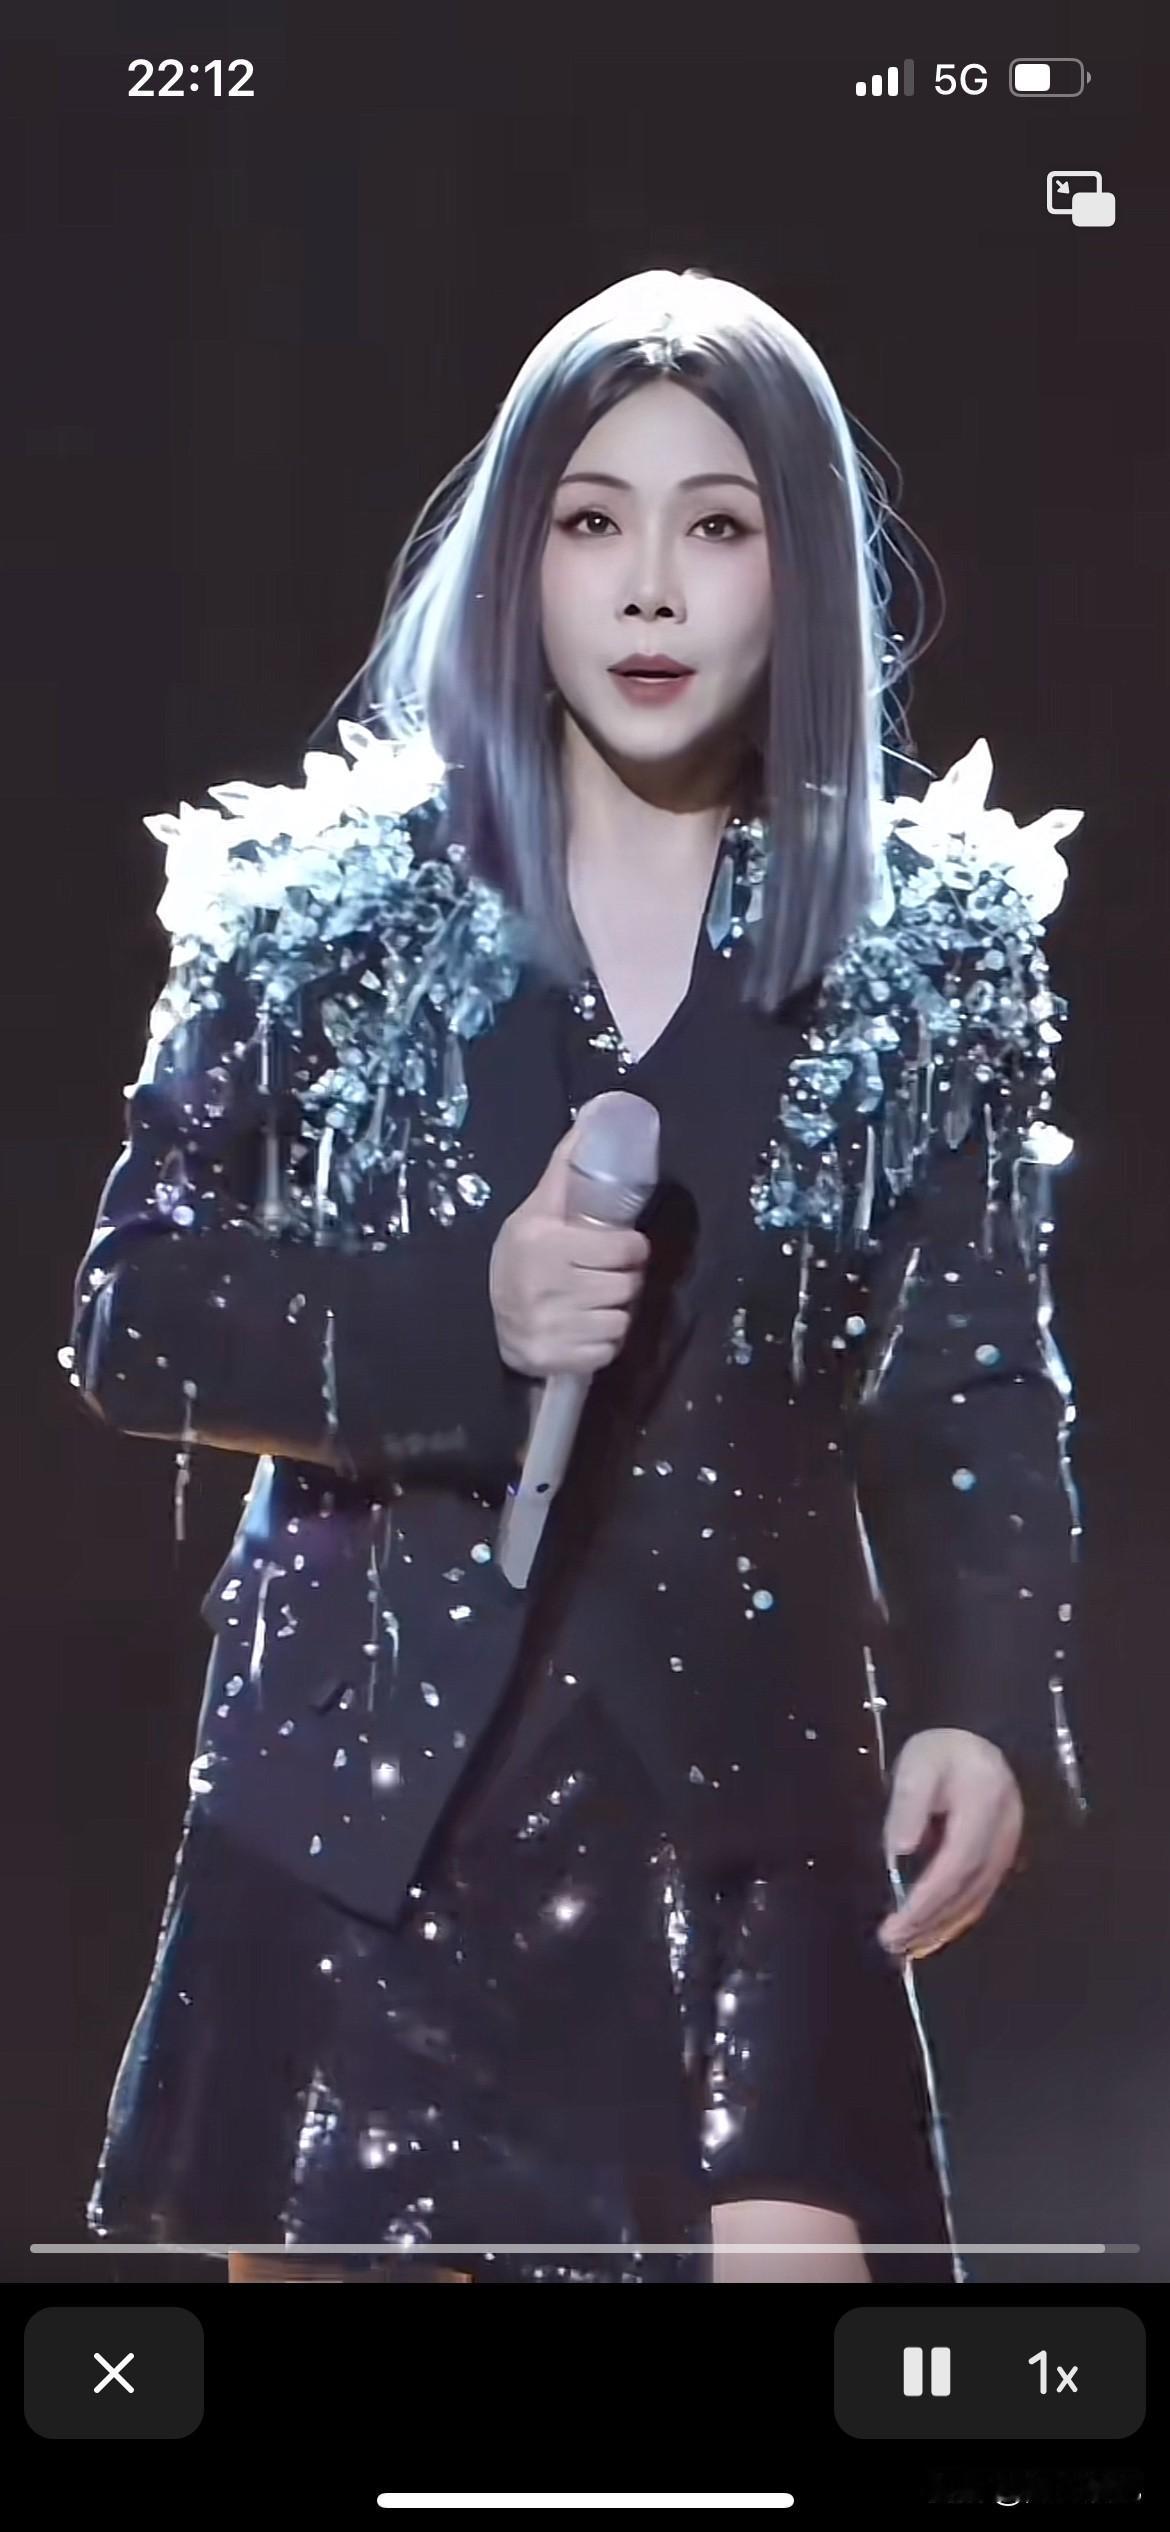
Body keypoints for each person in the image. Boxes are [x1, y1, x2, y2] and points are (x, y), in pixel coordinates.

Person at [64, 268, 1088, 2287]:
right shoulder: (318, 921)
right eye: (593, 520)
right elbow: (139, 1315)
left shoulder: (928, 950)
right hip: (370, 1814)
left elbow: (975, 1373)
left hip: (747, 1809)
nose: (649, 588)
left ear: (800, 569)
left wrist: (981, 1703)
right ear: (517, 556)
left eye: (717, 526)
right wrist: (468, 1323)